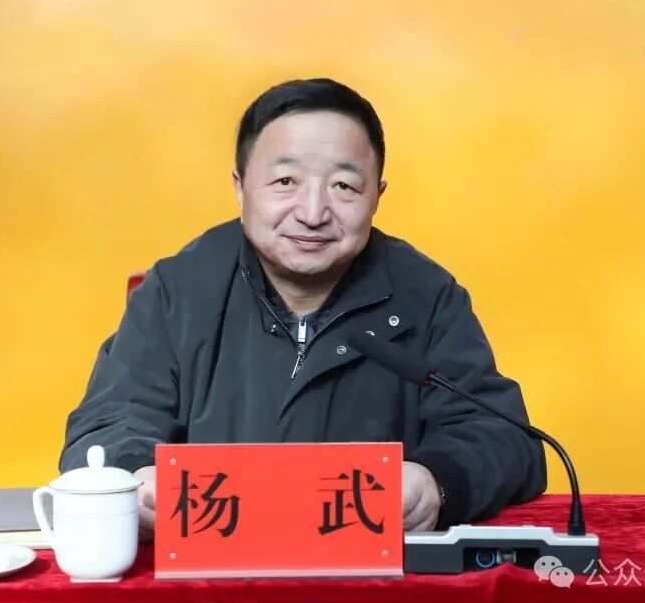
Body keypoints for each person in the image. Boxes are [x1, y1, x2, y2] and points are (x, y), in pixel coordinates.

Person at [60, 78, 546, 540]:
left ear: (377, 196)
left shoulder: (426, 294)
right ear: (240, 187)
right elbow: (108, 425)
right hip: (207, 567)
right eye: (285, 181)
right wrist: (135, 476)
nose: (313, 213)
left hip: (372, 574)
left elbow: (502, 436)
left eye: (344, 187)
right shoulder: (179, 290)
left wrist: (437, 480)